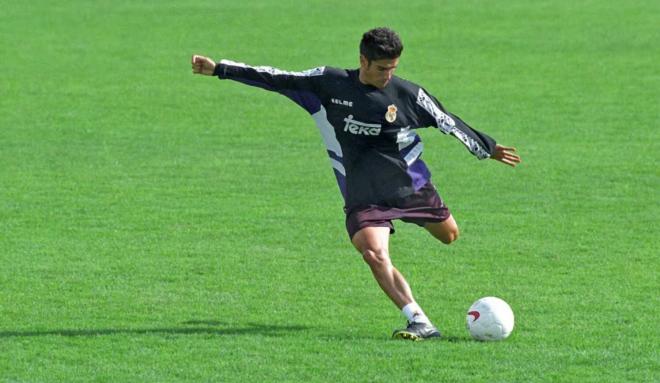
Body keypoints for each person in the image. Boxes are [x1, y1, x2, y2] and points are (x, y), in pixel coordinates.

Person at [191, 27, 521, 341]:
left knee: (450, 235)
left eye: (392, 68)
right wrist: (220, 69)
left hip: (410, 182)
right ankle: (419, 321)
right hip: (362, 191)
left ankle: (415, 224)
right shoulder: (329, 83)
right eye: (381, 68)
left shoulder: (407, 94)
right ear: (362, 61)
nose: (387, 75)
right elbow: (276, 78)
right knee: (373, 253)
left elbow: (447, 120)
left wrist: (486, 148)